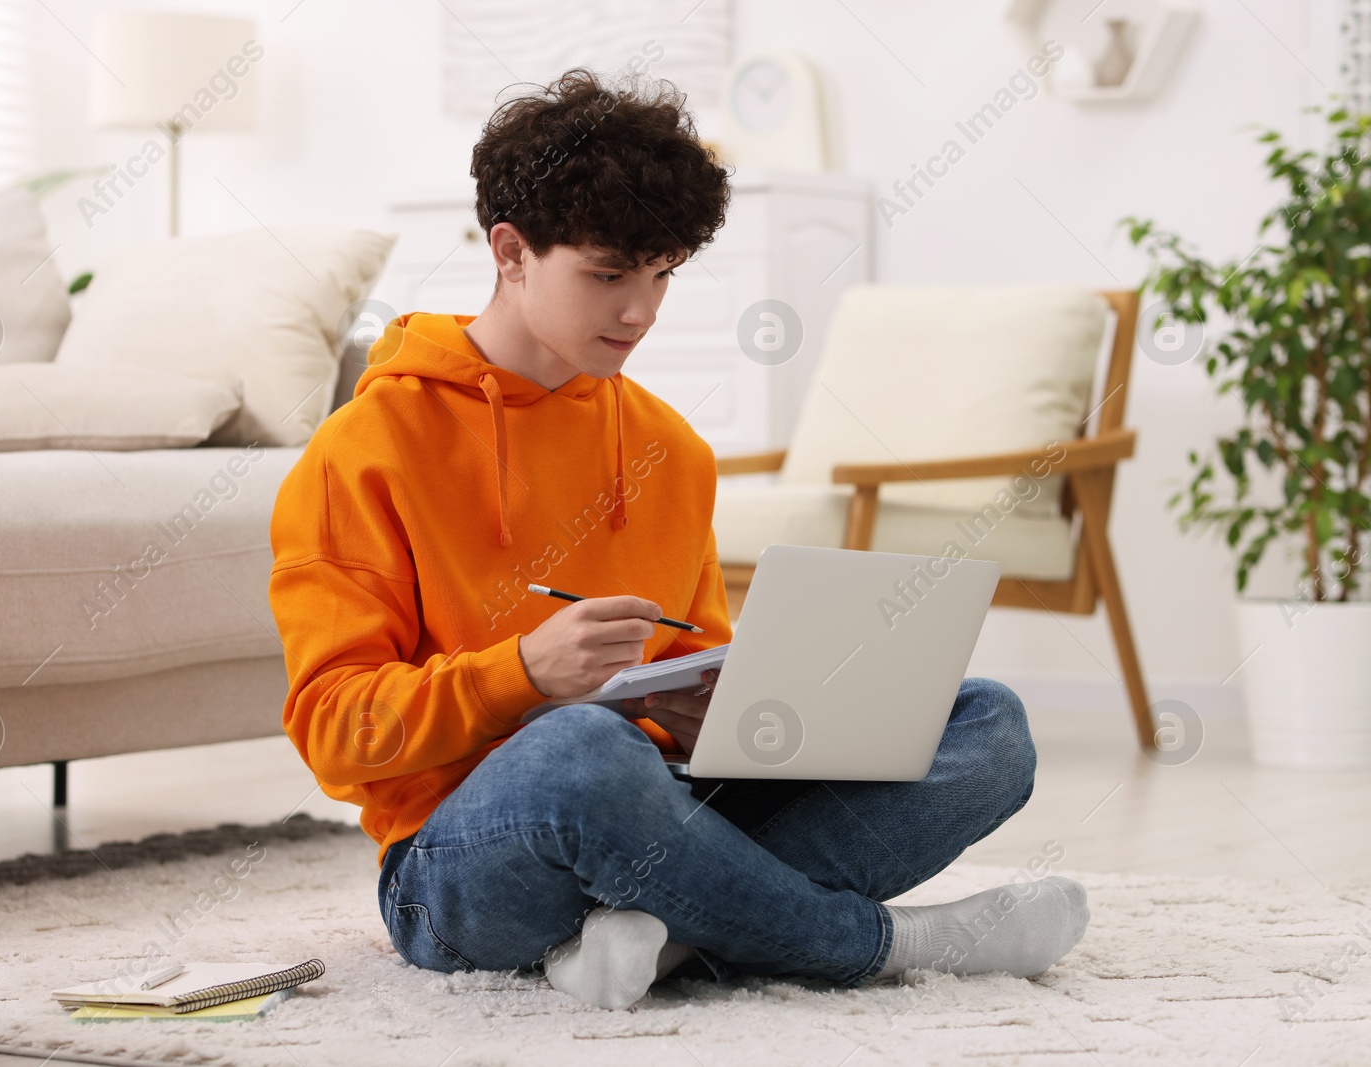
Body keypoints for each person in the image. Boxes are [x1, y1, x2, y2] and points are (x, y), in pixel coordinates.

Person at [267, 67, 1089, 1012]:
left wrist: (725, 711)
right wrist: (521, 673)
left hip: (672, 806)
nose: (640, 311)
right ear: (511, 251)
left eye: (661, 274)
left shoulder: (667, 447)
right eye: (609, 274)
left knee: (988, 724)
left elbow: (690, 656)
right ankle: (881, 944)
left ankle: (667, 938)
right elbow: (332, 730)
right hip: (459, 864)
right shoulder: (363, 450)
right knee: (585, 750)